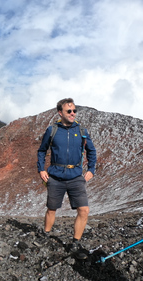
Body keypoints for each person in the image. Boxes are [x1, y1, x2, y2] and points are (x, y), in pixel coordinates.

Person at [36, 98, 97, 260]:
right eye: (69, 111)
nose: (72, 113)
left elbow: (92, 151)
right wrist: (41, 169)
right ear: (60, 113)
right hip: (55, 176)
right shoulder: (52, 130)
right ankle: (46, 233)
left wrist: (91, 169)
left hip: (76, 176)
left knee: (84, 210)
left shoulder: (82, 131)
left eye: (74, 111)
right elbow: (41, 151)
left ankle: (75, 242)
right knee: (51, 208)